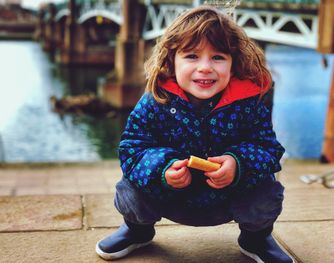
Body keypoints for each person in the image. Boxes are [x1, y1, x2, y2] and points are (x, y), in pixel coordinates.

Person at [96, 5, 293, 263]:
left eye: (218, 57)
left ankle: (256, 238)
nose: (205, 68)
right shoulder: (156, 101)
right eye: (191, 56)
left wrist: (237, 163)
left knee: (267, 187)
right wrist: (162, 169)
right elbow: (132, 149)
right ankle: (137, 230)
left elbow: (268, 149)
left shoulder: (249, 103)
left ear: (233, 64)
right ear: (171, 61)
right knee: (131, 184)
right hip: (170, 195)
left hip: (227, 196)